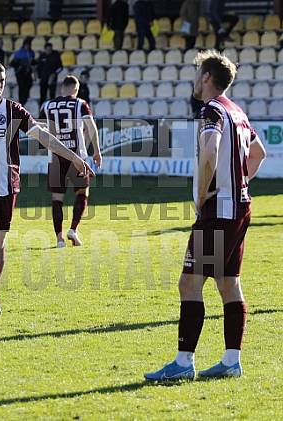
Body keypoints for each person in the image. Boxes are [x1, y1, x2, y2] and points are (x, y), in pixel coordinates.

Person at [144, 50, 266, 381]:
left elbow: (210, 150)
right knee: (228, 282)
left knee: (189, 283)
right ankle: (231, 360)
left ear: (207, 77)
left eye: (198, 74)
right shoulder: (237, 112)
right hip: (240, 207)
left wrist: (202, 195)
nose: (195, 80)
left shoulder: (211, 110)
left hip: (219, 211)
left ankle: (183, 363)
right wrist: (237, 182)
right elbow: (259, 154)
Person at [0, 61, 95, 315]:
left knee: (0, 242)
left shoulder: (13, 110)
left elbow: (44, 136)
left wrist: (74, 157)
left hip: (8, 186)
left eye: (2, 80)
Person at [39, 75, 102, 248]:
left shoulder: (47, 105)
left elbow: (41, 129)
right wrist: (96, 151)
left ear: (62, 89)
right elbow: (91, 127)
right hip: (77, 157)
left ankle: (59, 239)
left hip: (55, 157)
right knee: (82, 192)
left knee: (57, 198)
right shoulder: (80, 104)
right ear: (76, 89)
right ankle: (73, 229)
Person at [11, 37, 35, 105]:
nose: (27, 47)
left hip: (28, 72)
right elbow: (13, 63)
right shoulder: (19, 53)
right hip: (20, 72)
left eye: (28, 45)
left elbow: (33, 63)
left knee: (28, 85)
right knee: (21, 87)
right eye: (26, 45)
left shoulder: (31, 53)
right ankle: (21, 101)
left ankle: (25, 99)